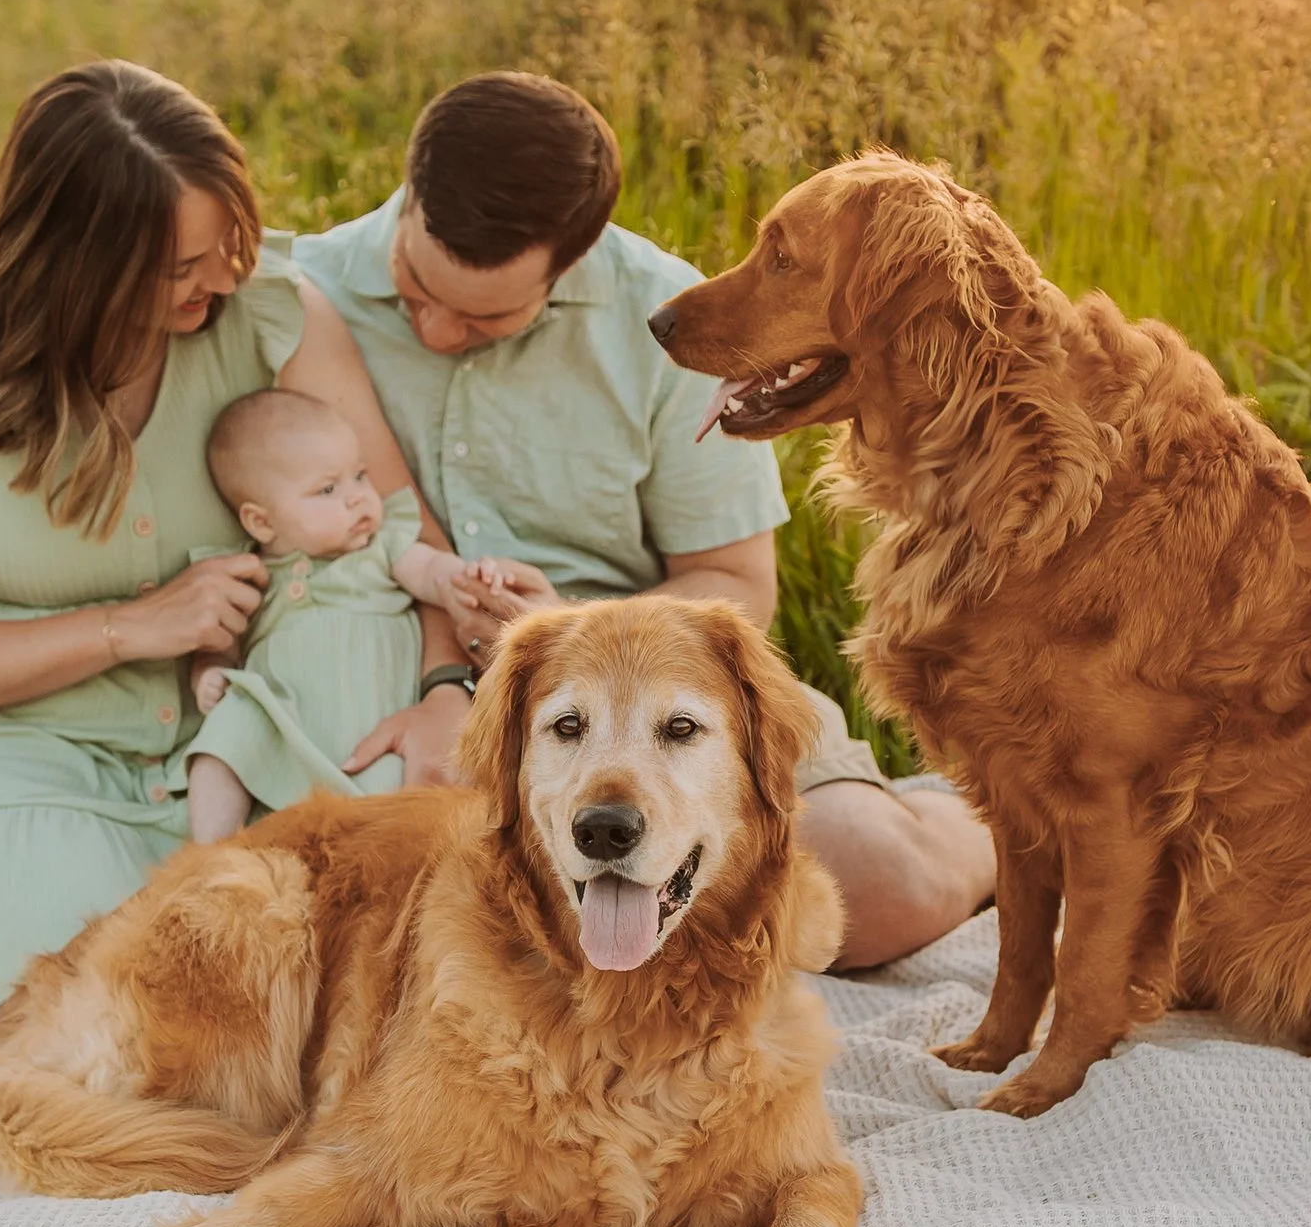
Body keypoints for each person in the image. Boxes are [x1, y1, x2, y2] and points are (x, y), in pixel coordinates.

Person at [293, 73, 997, 969]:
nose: (435, 331)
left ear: (574, 260)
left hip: (643, 694)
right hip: (397, 690)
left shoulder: (675, 321)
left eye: (483, 320)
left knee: (884, 889)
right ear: (411, 195)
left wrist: (578, 634)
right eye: (412, 290)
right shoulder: (298, 291)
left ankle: (990, 829)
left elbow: (739, 587)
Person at [0, 60, 460, 1043]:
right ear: (77, 259)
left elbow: (402, 524)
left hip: (260, 750)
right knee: (102, 1016)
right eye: (180, 266)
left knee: (395, 975)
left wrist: (446, 692)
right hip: (13, 770)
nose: (224, 277)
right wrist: (128, 629)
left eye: (228, 242)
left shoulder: (274, 314)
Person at [179, 391, 494, 840]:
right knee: (220, 742)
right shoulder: (249, 575)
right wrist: (209, 670)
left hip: (374, 723)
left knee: (403, 788)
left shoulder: (382, 545)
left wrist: (461, 576)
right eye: (328, 489)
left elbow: (429, 570)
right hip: (285, 723)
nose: (359, 498)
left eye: (360, 475)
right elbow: (219, 638)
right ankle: (213, 849)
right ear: (261, 522)